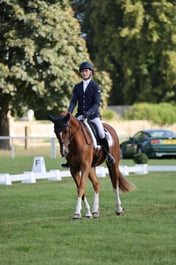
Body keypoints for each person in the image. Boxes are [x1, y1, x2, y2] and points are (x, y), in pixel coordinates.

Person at [61, 61, 115, 167]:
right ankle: (70, 158)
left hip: (93, 116)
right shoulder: (77, 87)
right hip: (80, 116)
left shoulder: (95, 87)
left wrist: (88, 113)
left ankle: (108, 154)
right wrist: (70, 113)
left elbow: (96, 103)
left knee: (101, 133)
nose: (84, 73)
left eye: (86, 71)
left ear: (90, 72)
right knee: (70, 133)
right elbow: (73, 101)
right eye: (82, 71)